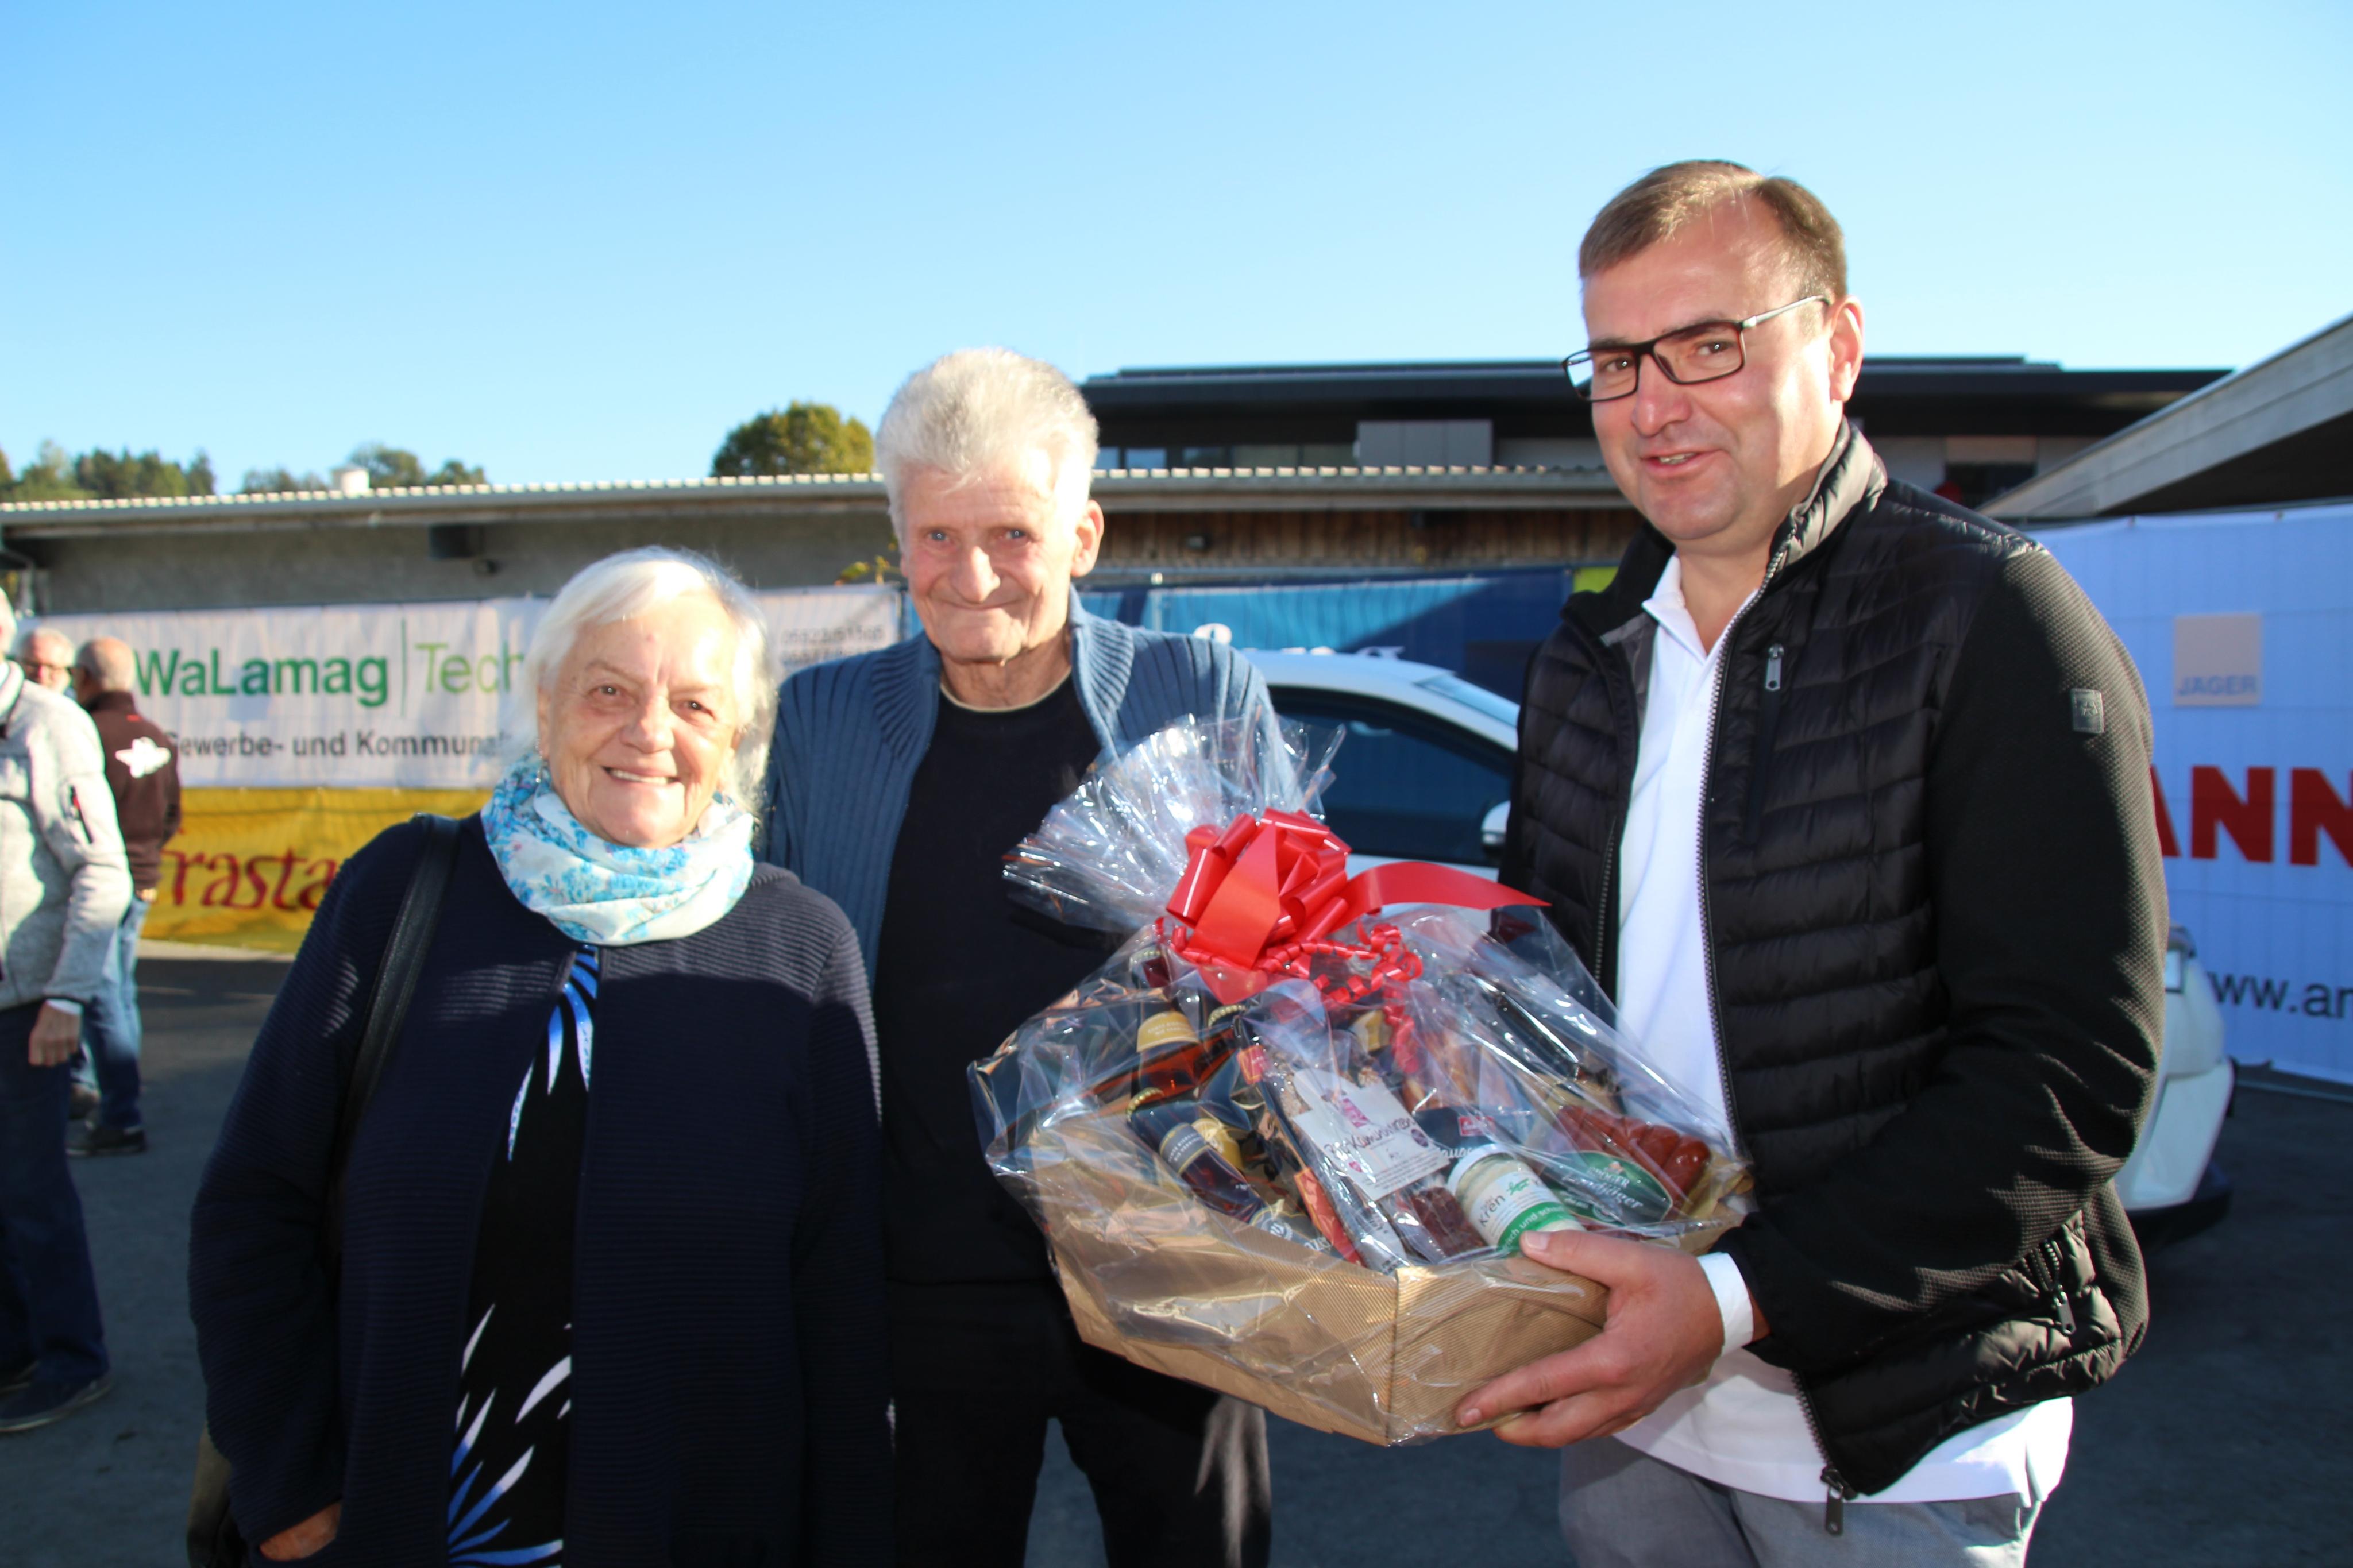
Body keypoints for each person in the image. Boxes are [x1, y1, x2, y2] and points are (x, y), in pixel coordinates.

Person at [1474, 161, 2165, 1567]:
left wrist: (1737, 1299)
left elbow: (2064, 1073)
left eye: (1707, 346)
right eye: (1616, 362)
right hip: (1630, 1403)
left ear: (1838, 347)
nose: (1653, 405)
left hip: (1901, 1434)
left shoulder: (1991, 616)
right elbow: (1548, 1001)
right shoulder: (1588, 653)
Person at [190, 547, 892, 1564]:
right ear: (546, 701)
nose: (650, 732)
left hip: (701, 1528)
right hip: (404, 1524)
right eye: (610, 690)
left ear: (737, 738)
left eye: (695, 706)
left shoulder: (802, 947)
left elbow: (843, 1295)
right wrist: (290, 1486)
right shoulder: (402, 890)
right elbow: (255, 1203)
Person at [763, 347, 1276, 1568]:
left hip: (1167, 1266)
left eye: (1011, 533)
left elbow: (1287, 960)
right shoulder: (821, 720)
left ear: (1083, 535)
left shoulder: (1194, 690)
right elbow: (768, 980)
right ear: (897, 539)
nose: (972, 575)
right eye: (936, 536)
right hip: (916, 1283)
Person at [0, 598, 134, 1435]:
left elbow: (102, 871)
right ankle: (14, 1351)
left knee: (31, 1192)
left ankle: (73, 1360)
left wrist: (64, 998)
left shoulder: (47, 726)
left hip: (28, 1007)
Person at [65, 636, 181, 1158]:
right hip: (141, 878)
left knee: (103, 996)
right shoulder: (155, 735)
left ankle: (121, 1117)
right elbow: (173, 814)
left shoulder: (84, 732)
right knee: (119, 993)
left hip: (102, 884)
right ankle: (103, 1091)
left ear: (85, 676)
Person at [12, 627, 75, 694]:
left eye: (52, 668)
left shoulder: (75, 700)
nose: (41, 674)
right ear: (17, 662)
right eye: (33, 665)